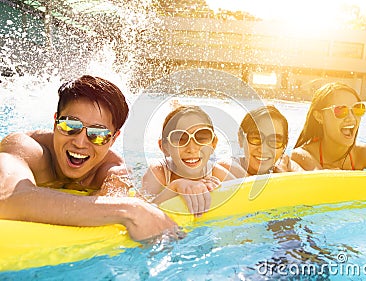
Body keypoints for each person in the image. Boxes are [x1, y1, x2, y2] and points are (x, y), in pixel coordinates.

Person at [0, 75, 177, 241]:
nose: (80, 142)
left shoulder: (113, 171)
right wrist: (129, 210)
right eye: (70, 125)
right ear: (55, 122)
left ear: (113, 139)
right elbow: (5, 196)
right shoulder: (25, 148)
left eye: (98, 133)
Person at [141, 105, 235, 216]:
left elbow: (245, 199)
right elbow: (141, 211)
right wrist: (174, 187)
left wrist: (220, 191)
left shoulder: (216, 173)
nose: (192, 149)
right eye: (180, 139)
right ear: (164, 147)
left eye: (201, 137)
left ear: (213, 144)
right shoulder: (159, 171)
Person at [291, 82, 366, 171]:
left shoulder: (364, 153)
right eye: (340, 110)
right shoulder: (303, 155)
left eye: (357, 108)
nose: (352, 118)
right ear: (319, 117)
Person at [219, 105, 302, 177]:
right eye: (256, 138)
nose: (263, 149)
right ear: (241, 138)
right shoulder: (226, 169)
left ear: (284, 146)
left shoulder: (284, 164)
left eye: (274, 141)